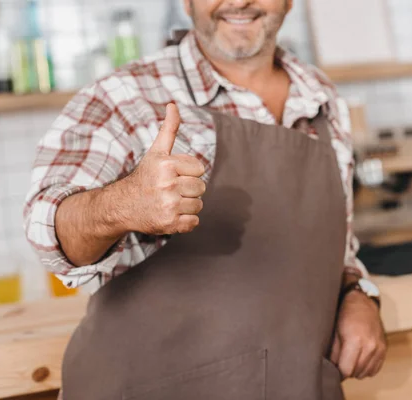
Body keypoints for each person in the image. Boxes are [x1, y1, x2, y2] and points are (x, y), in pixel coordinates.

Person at [24, 0, 387, 398]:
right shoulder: (125, 97)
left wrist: (356, 295)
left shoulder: (322, 99)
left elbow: (337, 248)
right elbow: (47, 228)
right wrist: (122, 205)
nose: (238, 2)